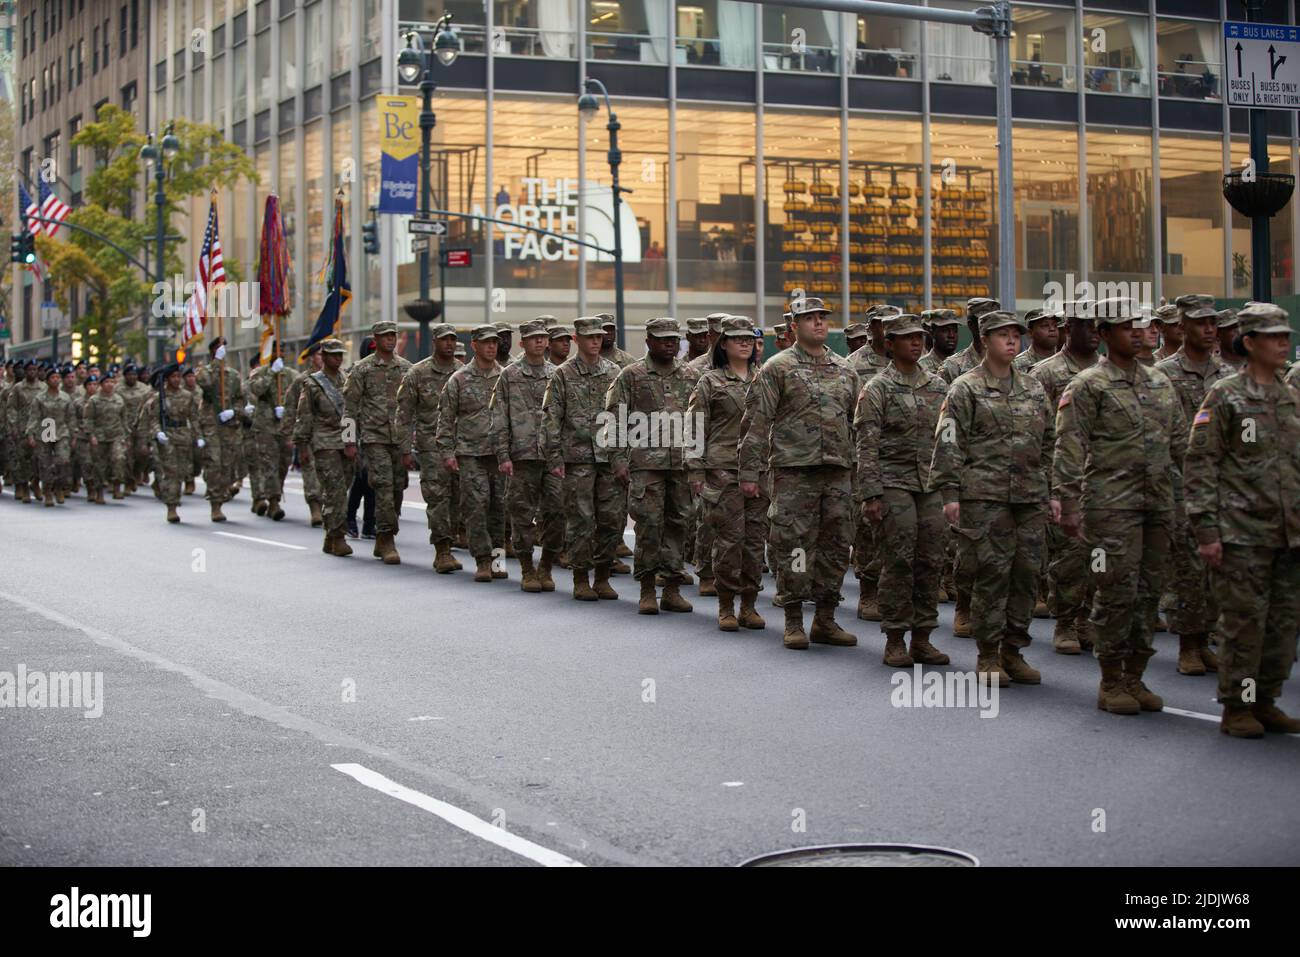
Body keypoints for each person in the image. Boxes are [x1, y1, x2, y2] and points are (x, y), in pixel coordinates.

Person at [1053, 300, 1186, 716]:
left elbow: (1183, 446)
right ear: (1106, 334)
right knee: (1116, 592)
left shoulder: (1160, 384)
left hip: (1159, 504)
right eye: (1125, 328)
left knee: (1149, 594)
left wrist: (1195, 500)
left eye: (1140, 327)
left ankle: (1136, 675)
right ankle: (1111, 678)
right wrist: (1069, 503)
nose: (1136, 333)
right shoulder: (1089, 385)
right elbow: (1069, 446)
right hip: (1110, 506)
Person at [1185, 303, 1300, 736]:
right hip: (1241, 535)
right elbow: (1200, 464)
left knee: (1283, 628)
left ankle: (1266, 699)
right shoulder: (1225, 396)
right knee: (1244, 627)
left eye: (1286, 335)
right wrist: (1207, 530)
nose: (1282, 343)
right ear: (1249, 343)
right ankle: (1239, 706)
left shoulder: (1290, 396)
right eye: (1273, 336)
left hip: (1288, 536)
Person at [930, 310, 1055, 688]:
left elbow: (1049, 440)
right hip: (983, 498)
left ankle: (1013, 651)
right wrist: (950, 493)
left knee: (1026, 576)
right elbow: (949, 441)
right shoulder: (965, 388)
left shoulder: (1033, 388)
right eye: (1003, 335)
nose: (1012, 341)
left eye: (1016, 335)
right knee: (991, 576)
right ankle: (988, 655)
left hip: (1029, 498)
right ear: (985, 340)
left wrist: (1050, 487)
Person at [739, 296, 860, 649]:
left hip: (838, 471)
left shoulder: (845, 370)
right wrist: (749, 471)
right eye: (810, 318)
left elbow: (858, 425)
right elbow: (757, 423)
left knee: (836, 545)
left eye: (823, 317)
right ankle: (794, 618)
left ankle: (826, 618)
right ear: (794, 325)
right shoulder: (777, 368)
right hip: (794, 472)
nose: (819, 323)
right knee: (795, 545)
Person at [855, 314, 951, 667]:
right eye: (906, 337)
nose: (915, 343)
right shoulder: (877, 388)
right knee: (898, 558)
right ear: (890, 343)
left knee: (930, 559)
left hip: (930, 484)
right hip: (892, 483)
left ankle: (923, 636)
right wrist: (870, 494)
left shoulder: (938, 387)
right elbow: (866, 443)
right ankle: (895, 637)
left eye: (919, 338)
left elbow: (949, 441)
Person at [1156, 296, 1231, 676]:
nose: (1209, 329)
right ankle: (1188, 643)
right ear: (1182, 327)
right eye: (1200, 323)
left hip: (1220, 484)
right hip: (1177, 481)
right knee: (1186, 565)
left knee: (1216, 565)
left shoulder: (1225, 376)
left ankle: (1205, 639)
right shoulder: (1163, 373)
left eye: (1212, 322)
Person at [605, 317, 697, 614]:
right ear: (648, 342)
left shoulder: (691, 376)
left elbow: (699, 421)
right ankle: (646, 589)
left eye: (673, 338)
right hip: (646, 465)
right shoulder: (631, 375)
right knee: (649, 526)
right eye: (662, 339)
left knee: (678, 524)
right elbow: (614, 418)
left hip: (681, 464)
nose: (670, 343)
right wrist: (618, 460)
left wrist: (699, 462)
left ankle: (671, 587)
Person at [686, 315, 767, 631]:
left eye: (749, 338)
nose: (745, 343)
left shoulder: (765, 378)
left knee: (754, 541)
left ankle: (749, 604)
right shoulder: (710, 381)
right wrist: (695, 471)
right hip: (722, 471)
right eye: (738, 338)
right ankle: (726, 605)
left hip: (760, 470)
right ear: (724, 344)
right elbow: (694, 429)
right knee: (729, 541)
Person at [1029, 306, 1100, 653]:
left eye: (1101, 326)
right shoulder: (1046, 373)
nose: (1096, 332)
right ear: (1070, 328)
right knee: (1070, 554)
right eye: (1089, 326)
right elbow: (1034, 432)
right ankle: (1067, 622)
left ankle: (1089, 617)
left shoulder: (1110, 372)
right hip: (1062, 476)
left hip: (1107, 478)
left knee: (1102, 556)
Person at [540, 316, 623, 601]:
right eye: (590, 337)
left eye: (599, 336)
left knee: (612, 519)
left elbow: (622, 415)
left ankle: (602, 575)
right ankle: (580, 577)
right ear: (577, 339)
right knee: (581, 521)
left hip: (608, 457)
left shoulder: (614, 372)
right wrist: (553, 458)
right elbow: (551, 418)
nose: (596, 341)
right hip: (577, 458)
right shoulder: (563, 374)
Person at [493, 319, 565, 592]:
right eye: (533, 338)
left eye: (543, 338)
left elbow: (564, 416)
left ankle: (546, 566)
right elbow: (498, 417)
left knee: (557, 512)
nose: (539, 342)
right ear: (522, 343)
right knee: (521, 515)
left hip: (552, 456)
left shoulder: (557, 374)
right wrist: (503, 455)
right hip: (521, 457)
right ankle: (527, 568)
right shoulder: (509, 375)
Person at [437, 325, 507, 582]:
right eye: (486, 342)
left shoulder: (506, 377)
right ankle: (483, 560)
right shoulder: (459, 379)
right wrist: (447, 452)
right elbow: (445, 419)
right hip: (471, 454)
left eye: (494, 343)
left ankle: (498, 559)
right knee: (476, 507)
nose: (491, 347)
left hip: (500, 455)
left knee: (499, 508)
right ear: (474, 346)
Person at [344, 319, 413, 564]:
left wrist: (410, 441)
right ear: (376, 339)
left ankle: (385, 534)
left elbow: (409, 407)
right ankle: (386, 539)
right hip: (374, 438)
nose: (391, 339)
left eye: (393, 335)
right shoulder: (361, 369)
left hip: (399, 438)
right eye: (385, 336)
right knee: (382, 486)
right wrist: (349, 441)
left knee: (397, 488)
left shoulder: (406, 368)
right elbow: (349, 408)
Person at [396, 324, 463, 573]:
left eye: (453, 340)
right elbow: (404, 413)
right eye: (445, 340)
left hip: (461, 446)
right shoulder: (418, 372)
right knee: (438, 499)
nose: (449, 344)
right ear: (434, 341)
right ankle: (442, 550)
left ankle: (452, 538)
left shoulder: (463, 372)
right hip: (431, 446)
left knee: (458, 498)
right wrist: (405, 449)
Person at [295, 339, 356, 556]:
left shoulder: (348, 380)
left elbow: (350, 413)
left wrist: (350, 442)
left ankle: (330, 536)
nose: (338, 358)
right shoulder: (313, 383)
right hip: (324, 442)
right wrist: (302, 446)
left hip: (344, 442)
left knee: (342, 489)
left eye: (340, 354)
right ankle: (338, 537)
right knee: (335, 491)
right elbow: (305, 416)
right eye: (333, 355)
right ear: (324, 355)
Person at [142, 364, 200, 523]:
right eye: (173, 377)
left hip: (183, 435)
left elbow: (193, 418)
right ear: (167, 379)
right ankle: (172, 507)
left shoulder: (187, 396)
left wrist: (198, 436)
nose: (176, 379)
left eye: (178, 376)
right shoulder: (159, 397)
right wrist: (157, 432)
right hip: (167, 436)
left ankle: (173, 497)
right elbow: (153, 419)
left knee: (182, 471)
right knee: (170, 472)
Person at [196, 337, 246, 522]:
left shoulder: (233, 375)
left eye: (223, 349)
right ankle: (215, 505)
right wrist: (216, 362)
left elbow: (240, 399)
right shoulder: (204, 371)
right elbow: (206, 383)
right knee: (214, 463)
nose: (222, 351)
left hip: (229, 426)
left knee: (228, 464)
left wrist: (235, 411)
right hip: (211, 425)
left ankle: (223, 492)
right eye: (218, 349)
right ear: (212, 352)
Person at [248, 345, 298, 521]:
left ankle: (275, 493)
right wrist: (271, 373)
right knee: (269, 464)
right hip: (265, 427)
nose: (280, 356)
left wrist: (287, 409)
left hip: (285, 426)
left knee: (284, 464)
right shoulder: (259, 372)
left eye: (283, 353)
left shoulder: (291, 374)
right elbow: (256, 390)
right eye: (277, 352)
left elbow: (299, 395)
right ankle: (274, 501)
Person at [282, 346, 324, 526]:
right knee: (310, 470)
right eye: (319, 354)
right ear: (311, 358)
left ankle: (331, 506)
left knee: (334, 473)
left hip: (332, 433)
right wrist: (289, 435)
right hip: (308, 433)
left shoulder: (340, 378)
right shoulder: (302, 380)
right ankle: (315, 507)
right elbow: (290, 408)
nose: (322, 358)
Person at [26, 365, 74, 506]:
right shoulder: (39, 398)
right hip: (45, 433)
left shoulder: (65, 397)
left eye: (57, 377)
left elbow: (71, 418)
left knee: (63, 461)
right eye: (52, 377)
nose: (55, 380)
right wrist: (30, 435)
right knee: (45, 465)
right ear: (47, 381)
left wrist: (74, 435)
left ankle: (58, 487)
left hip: (61, 432)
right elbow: (34, 417)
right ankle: (47, 491)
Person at [86, 372, 129, 500]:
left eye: (112, 382)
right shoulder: (94, 400)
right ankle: (99, 491)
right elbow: (88, 419)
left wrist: (126, 437)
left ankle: (117, 487)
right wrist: (91, 435)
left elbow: (124, 419)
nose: (110, 384)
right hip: (100, 437)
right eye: (106, 382)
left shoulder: (119, 399)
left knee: (119, 459)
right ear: (101, 384)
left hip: (116, 435)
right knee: (99, 464)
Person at [940, 297, 1000, 385]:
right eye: (984, 322)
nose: (990, 328)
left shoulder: (1008, 364)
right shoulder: (952, 367)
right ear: (971, 325)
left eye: (995, 323)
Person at [7, 360, 42, 502]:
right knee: (23, 459)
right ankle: (24, 487)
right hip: (22, 428)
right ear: (25, 371)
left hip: (40, 429)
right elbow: (12, 408)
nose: (32, 372)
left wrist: (51, 432)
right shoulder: (18, 388)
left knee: (41, 459)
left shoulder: (43, 387)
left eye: (34, 369)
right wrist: (13, 426)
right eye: (29, 369)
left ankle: (35, 483)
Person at [117, 364, 152, 493]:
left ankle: (139, 471)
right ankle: (128, 481)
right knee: (127, 455)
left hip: (141, 425)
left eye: (134, 375)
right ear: (125, 376)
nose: (132, 377)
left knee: (143, 452)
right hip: (125, 425)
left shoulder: (144, 389)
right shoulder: (118, 389)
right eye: (130, 375)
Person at [73, 374, 101, 503]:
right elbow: (72, 420)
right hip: (83, 437)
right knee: (87, 463)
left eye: (95, 385)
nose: (93, 387)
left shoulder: (102, 401)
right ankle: (90, 488)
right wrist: (74, 436)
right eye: (90, 385)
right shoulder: (78, 402)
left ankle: (98, 488)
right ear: (85, 387)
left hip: (100, 437)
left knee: (98, 464)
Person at [1012, 307, 1059, 371]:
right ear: (1030, 333)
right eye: (1045, 325)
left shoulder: (1066, 361)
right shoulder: (1016, 365)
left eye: (1055, 325)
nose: (1052, 329)